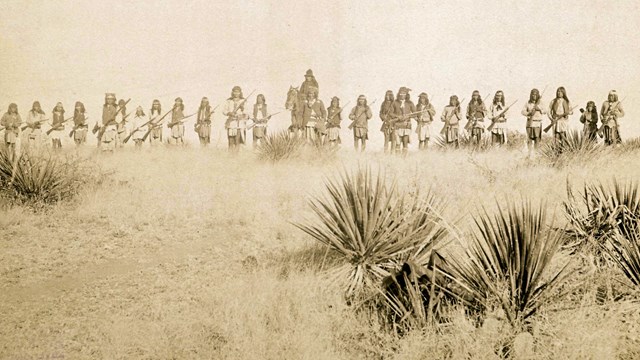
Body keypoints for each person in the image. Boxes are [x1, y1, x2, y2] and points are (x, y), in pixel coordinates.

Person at [224, 86, 250, 152]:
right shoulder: (229, 101)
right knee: (230, 140)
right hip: (231, 122)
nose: (236, 93)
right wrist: (229, 113)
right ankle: (230, 155)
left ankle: (236, 156)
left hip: (239, 123)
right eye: (235, 91)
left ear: (240, 92)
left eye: (238, 92)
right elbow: (224, 111)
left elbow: (247, 112)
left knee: (237, 140)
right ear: (232, 92)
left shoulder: (243, 101)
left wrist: (242, 108)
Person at [521, 88, 546, 155]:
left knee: (537, 138)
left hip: (537, 122)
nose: (534, 96)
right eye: (532, 94)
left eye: (535, 94)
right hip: (530, 122)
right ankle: (529, 153)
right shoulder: (528, 103)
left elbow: (545, 111)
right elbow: (523, 111)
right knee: (529, 138)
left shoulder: (541, 102)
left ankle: (536, 152)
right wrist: (528, 113)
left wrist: (539, 109)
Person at [392, 87, 416, 155]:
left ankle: (404, 158)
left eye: (404, 94)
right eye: (401, 94)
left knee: (405, 142)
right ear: (399, 94)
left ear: (406, 95)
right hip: (397, 125)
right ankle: (397, 158)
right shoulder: (395, 102)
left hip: (406, 125)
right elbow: (390, 113)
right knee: (397, 143)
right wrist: (397, 117)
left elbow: (415, 114)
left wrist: (408, 116)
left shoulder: (410, 103)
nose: (402, 95)